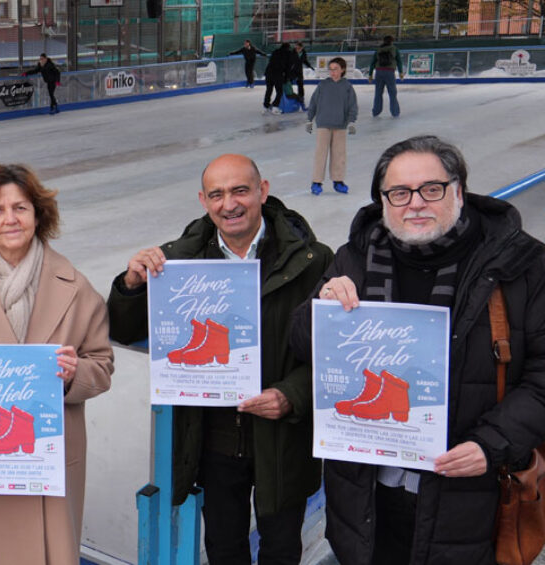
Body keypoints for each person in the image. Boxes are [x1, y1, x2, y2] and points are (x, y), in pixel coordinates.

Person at [289, 135, 545, 565]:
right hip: (368, 500)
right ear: (384, 200)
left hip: (469, 503)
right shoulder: (354, 259)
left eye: (432, 189)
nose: (415, 204)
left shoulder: (523, 266)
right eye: (400, 193)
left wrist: (490, 444)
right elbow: (300, 345)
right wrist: (321, 312)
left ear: (458, 191)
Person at [108, 154, 333, 565]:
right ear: (203, 200)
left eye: (240, 191)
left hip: (282, 440)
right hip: (214, 439)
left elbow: (332, 356)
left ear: (263, 191)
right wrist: (131, 285)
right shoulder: (178, 262)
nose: (229, 204)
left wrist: (290, 396)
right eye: (217, 194)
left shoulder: (312, 260)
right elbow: (123, 330)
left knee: (281, 550)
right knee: (224, 550)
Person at [0, 164, 114, 565]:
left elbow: (102, 363)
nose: (10, 219)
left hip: (49, 457)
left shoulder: (76, 287)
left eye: (21, 208)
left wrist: (73, 375)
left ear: (38, 215)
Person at [305, 57, 358, 195]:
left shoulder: (347, 87)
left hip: (340, 125)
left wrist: (352, 121)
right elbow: (314, 102)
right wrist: (309, 119)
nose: (332, 72)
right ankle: (316, 182)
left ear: (343, 70)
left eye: (336, 69)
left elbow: (352, 105)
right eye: (331, 69)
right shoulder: (323, 85)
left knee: (339, 154)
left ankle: (338, 181)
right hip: (323, 123)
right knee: (320, 153)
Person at [368, 35, 402, 117]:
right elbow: (399, 61)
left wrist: (370, 74)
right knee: (392, 92)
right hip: (389, 72)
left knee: (378, 92)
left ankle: (376, 111)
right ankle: (395, 112)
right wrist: (401, 72)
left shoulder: (378, 49)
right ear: (392, 41)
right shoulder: (394, 49)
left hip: (379, 72)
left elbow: (372, 62)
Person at [263, 43, 297, 114]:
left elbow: (271, 61)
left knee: (269, 90)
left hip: (268, 73)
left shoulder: (275, 51)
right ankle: (275, 107)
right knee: (279, 91)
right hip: (277, 74)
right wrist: (286, 77)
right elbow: (288, 67)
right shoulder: (288, 54)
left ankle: (266, 107)